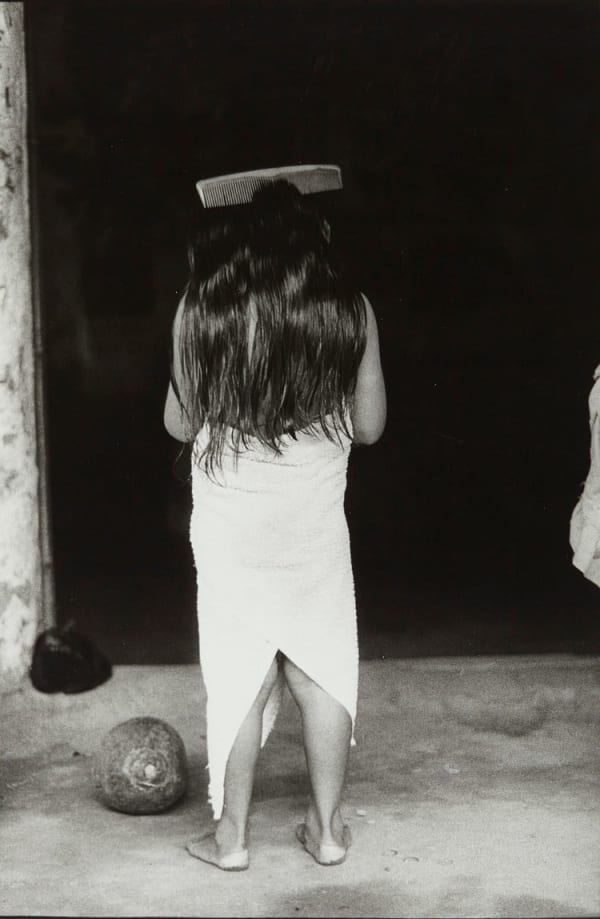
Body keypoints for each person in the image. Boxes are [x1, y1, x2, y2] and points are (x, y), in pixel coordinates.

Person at [164, 177, 386, 871]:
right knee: (320, 666)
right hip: (312, 519)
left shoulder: (200, 307)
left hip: (234, 518)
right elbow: (371, 426)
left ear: (232, 243)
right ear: (313, 238)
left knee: (240, 669)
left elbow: (181, 421)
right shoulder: (350, 309)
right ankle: (326, 830)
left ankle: (231, 837)